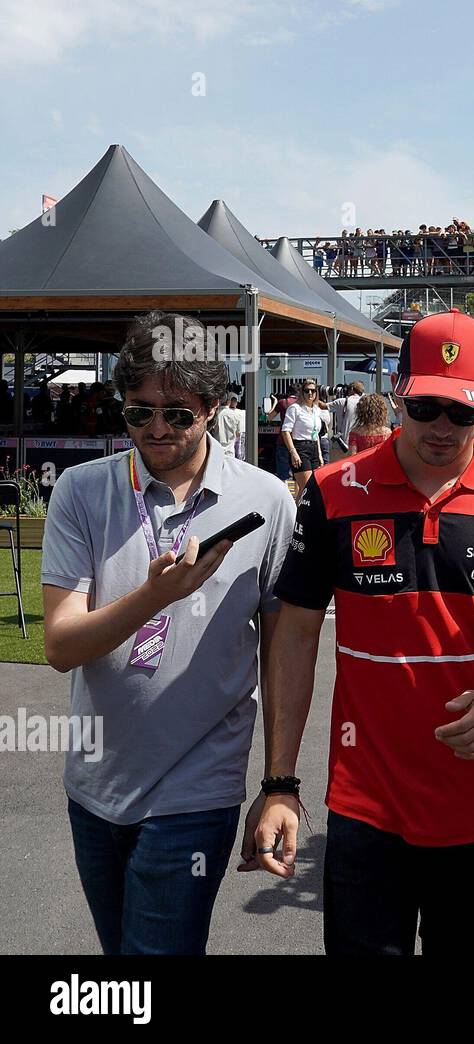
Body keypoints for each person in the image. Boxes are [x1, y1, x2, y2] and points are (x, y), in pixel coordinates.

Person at [252, 308, 474, 955]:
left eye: (463, 410)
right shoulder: (333, 491)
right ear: (398, 392)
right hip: (366, 807)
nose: (442, 427)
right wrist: (279, 784)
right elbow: (294, 635)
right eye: (425, 405)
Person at [41, 311, 296, 955]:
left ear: (212, 407)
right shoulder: (82, 490)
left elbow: (284, 652)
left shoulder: (265, 501)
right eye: (137, 412)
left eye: (177, 413)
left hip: (197, 785)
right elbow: (60, 646)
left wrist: (278, 786)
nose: (156, 428)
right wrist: (154, 595)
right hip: (96, 781)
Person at [280, 379, 326, 500]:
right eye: (307, 391)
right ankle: (297, 516)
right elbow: (285, 431)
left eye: (313, 391)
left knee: (315, 487)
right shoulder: (295, 408)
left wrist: (320, 455)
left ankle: (304, 516)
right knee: (306, 487)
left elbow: (316, 434)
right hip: (300, 448)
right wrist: (293, 452)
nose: (310, 393)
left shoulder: (317, 410)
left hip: (314, 448)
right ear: (302, 392)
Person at [214, 393, 245, 458]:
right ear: (228, 402)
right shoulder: (236, 415)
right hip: (229, 451)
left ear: (218, 402)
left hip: (217, 449)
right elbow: (238, 434)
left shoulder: (215, 415)